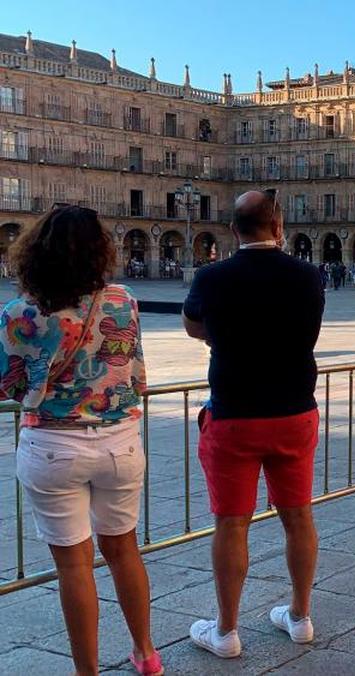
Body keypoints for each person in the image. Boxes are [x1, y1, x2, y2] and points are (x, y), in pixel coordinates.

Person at [0, 207, 161, 676]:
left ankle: (87, 672)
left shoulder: (20, 312)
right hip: (119, 442)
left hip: (53, 445)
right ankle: (147, 654)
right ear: (101, 251)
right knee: (124, 550)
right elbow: (135, 372)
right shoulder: (123, 300)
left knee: (75, 566)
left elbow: (8, 386)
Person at [183, 190, 325, 658]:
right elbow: (307, 331)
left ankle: (225, 632)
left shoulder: (212, 276)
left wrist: (225, 334)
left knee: (231, 523)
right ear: (279, 227)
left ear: (233, 231)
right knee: (298, 515)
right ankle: (300, 617)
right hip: (294, 413)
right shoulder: (309, 276)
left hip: (234, 416)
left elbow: (193, 326)